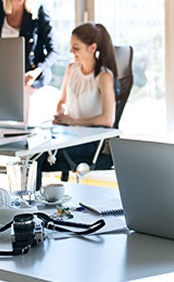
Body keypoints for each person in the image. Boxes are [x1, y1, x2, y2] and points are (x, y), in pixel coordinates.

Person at [36, 22, 118, 190]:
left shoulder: (103, 77)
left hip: (91, 142)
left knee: (38, 158)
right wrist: (61, 114)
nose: (71, 52)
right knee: (33, 151)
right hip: (70, 135)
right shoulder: (71, 69)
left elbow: (108, 119)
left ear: (92, 48)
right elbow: (62, 101)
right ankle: (29, 203)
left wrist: (73, 121)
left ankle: (29, 207)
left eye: (76, 48)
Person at [0, 0, 59, 121]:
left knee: (19, 100)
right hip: (6, 75)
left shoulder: (37, 12)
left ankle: (22, 138)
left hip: (32, 75)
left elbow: (53, 51)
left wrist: (36, 72)